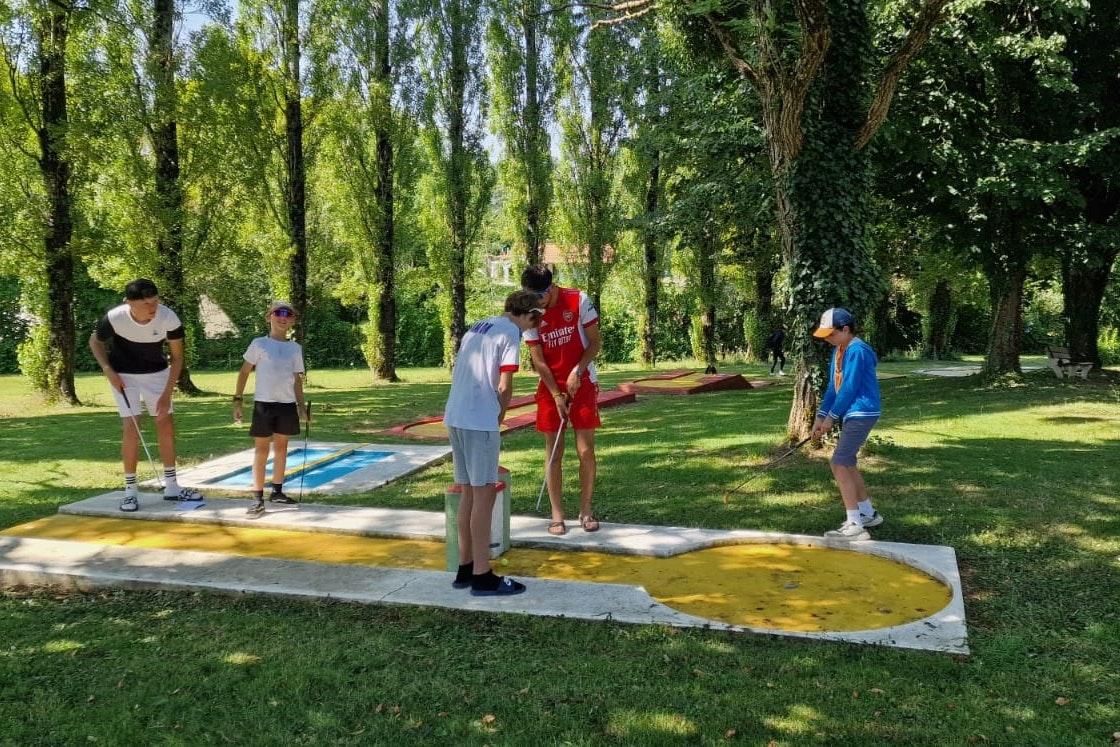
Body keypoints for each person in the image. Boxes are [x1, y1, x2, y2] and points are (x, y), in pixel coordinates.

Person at [445, 290, 543, 596]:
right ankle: (483, 575)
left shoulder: (478, 326)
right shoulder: (511, 333)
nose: (535, 326)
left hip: (456, 415)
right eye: (536, 320)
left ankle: (465, 568)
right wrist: (498, 418)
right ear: (527, 315)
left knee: (469, 493)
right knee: (485, 495)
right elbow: (504, 384)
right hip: (479, 419)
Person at [89, 278, 203, 512]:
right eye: (146, 304)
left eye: (155, 302)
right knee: (132, 427)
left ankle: (172, 487)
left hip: (157, 375)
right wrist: (108, 370)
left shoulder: (168, 318)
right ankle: (130, 491)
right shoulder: (115, 318)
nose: (153, 308)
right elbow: (95, 342)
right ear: (129, 303)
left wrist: (167, 392)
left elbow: (178, 357)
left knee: (165, 423)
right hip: (123, 375)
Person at [520, 265, 602, 535]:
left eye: (540, 295)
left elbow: (594, 343)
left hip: (582, 380)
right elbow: (538, 361)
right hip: (549, 385)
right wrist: (556, 394)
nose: (537, 302)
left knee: (585, 450)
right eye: (531, 296)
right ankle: (557, 515)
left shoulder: (578, 300)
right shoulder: (529, 312)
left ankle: (586, 510)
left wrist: (577, 372)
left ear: (551, 288)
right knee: (554, 451)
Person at [810, 308, 883, 541]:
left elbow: (850, 388)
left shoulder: (858, 350)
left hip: (862, 411)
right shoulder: (840, 350)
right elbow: (834, 387)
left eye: (831, 334)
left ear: (846, 329)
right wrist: (820, 418)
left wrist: (832, 417)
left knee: (839, 463)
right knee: (848, 463)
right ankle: (868, 514)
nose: (828, 339)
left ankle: (855, 524)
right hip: (853, 412)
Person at [233, 300, 309, 516]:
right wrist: (237, 399)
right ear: (269, 317)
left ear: (293, 320)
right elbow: (244, 371)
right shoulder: (259, 344)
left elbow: (296, 380)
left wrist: (301, 407)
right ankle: (257, 498)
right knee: (262, 450)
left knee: (282, 449)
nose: (283, 317)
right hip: (264, 405)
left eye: (288, 314)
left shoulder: (295, 348)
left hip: (286, 405)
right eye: (278, 313)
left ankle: (277, 491)